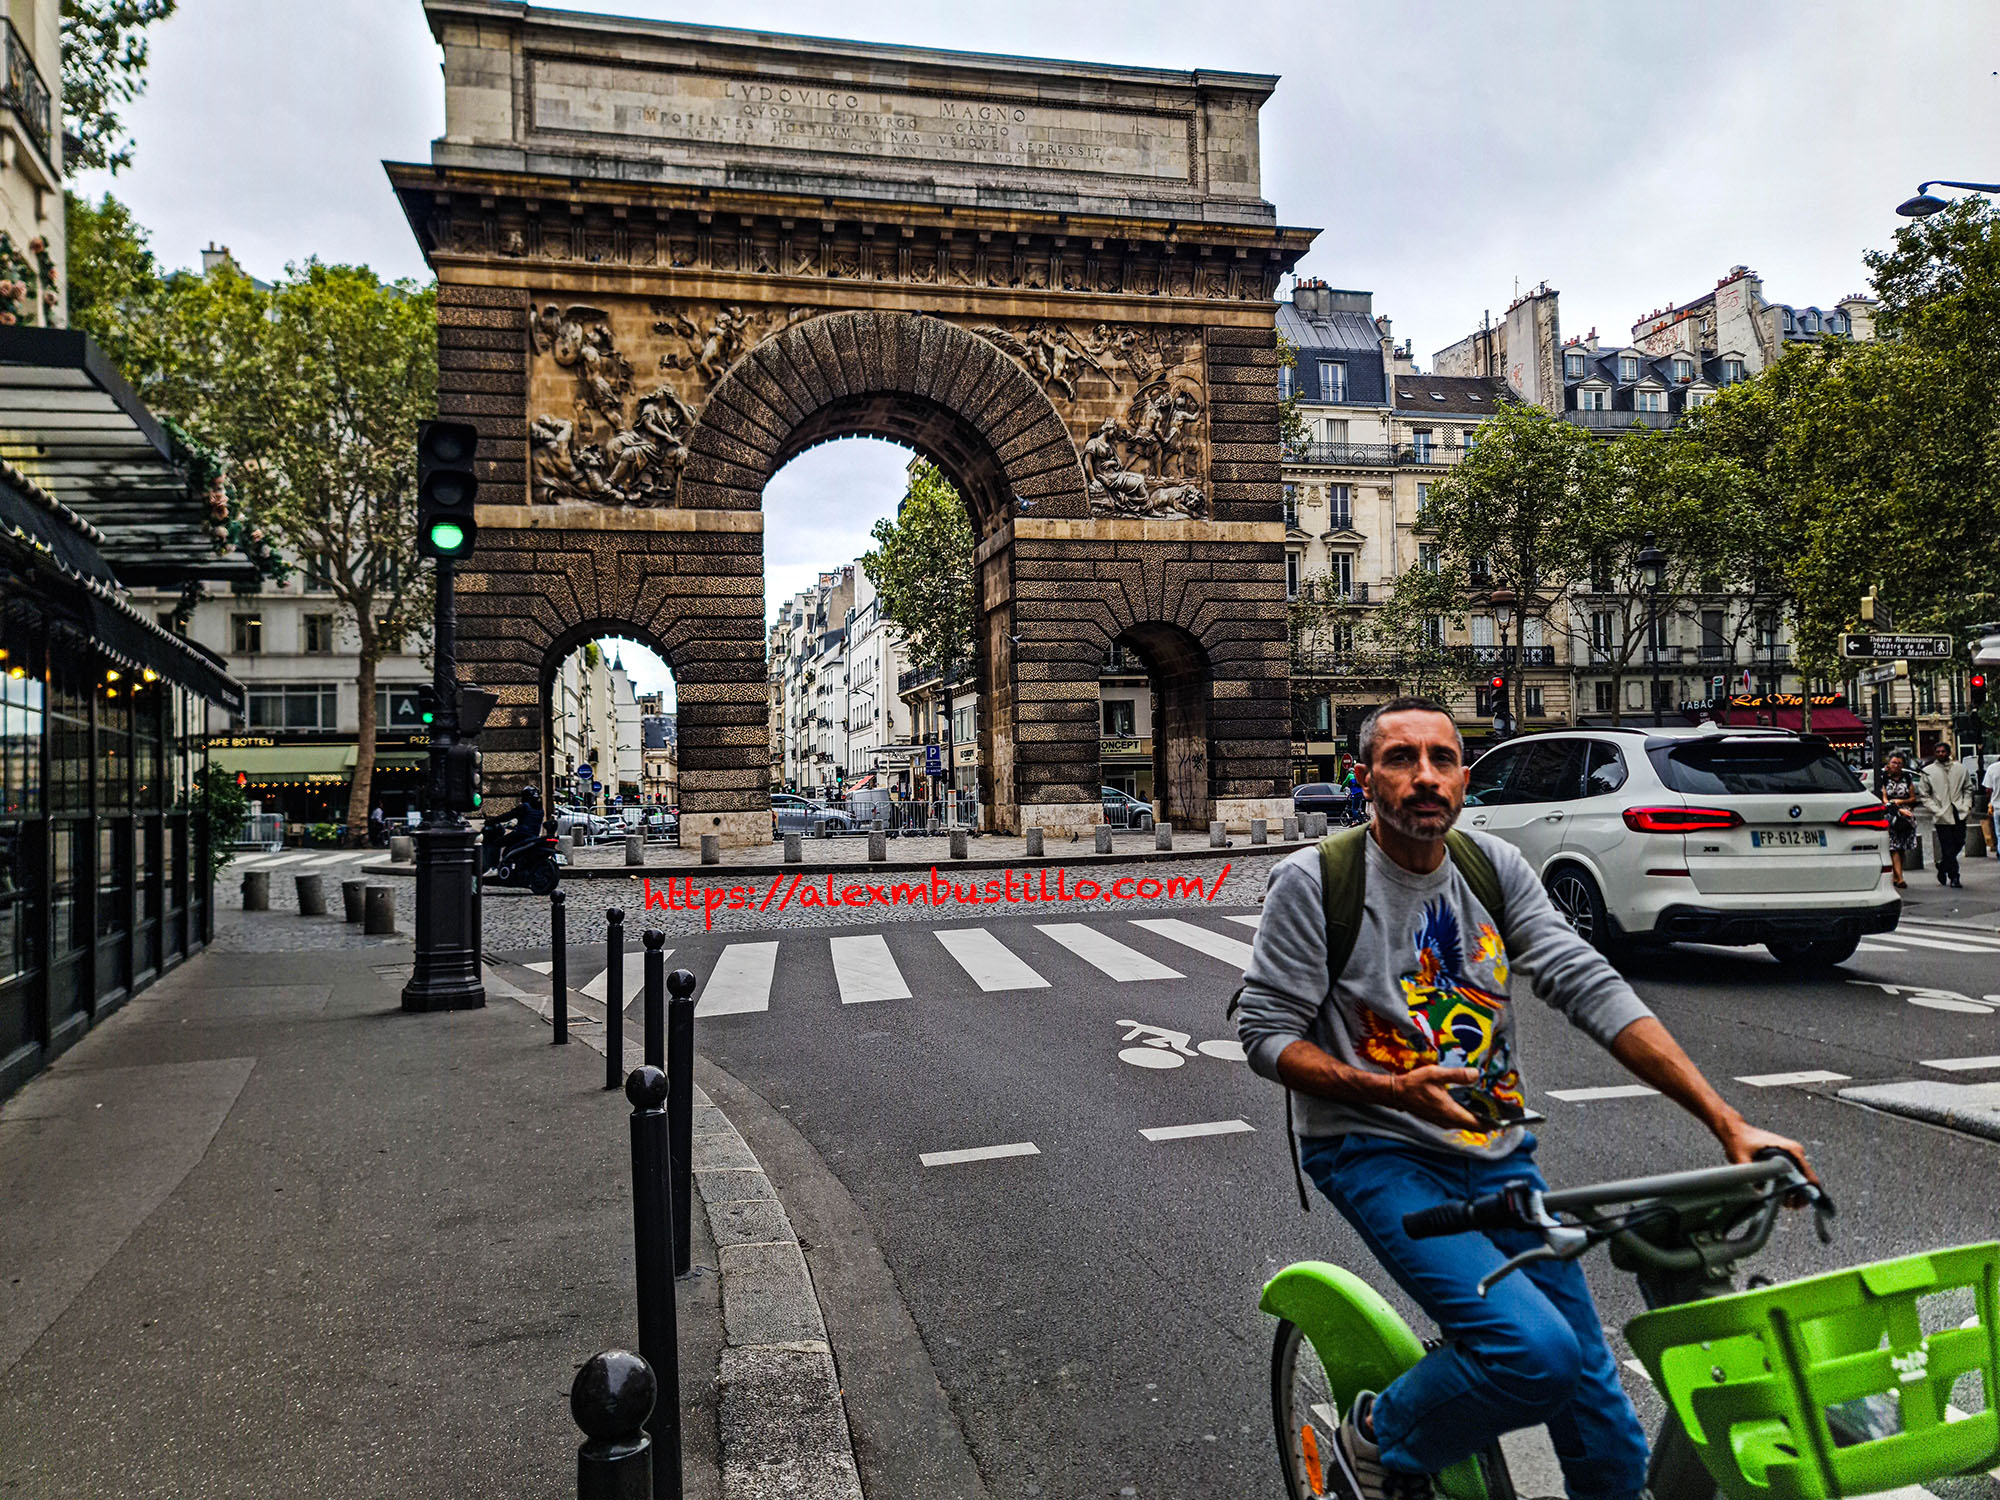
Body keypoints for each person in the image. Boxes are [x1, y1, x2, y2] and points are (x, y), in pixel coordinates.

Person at [1234, 696, 1813, 1500]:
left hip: (1501, 1157)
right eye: (1401, 759)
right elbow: (1266, 1036)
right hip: (1374, 1151)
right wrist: (1393, 1089)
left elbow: (1589, 985)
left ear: (1465, 777)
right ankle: (1379, 1437)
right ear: (1362, 777)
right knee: (1533, 1355)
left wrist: (1728, 1122)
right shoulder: (1317, 881)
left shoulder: (1492, 867)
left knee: (1602, 1423)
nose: (1425, 777)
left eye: (1442, 759)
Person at [1918, 740, 1974, 889]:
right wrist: (1935, 809)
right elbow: (1924, 794)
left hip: (1958, 811)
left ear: (1949, 752)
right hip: (1942, 813)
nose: (1941, 754)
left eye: (1943, 751)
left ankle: (1943, 866)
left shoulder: (1960, 769)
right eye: (1938, 752)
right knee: (1947, 846)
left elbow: (1968, 788)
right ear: (1935, 753)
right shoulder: (1928, 771)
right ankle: (1954, 876)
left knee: (1959, 841)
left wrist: (1966, 805)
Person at [1877, 752, 1920, 890]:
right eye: (1894, 762)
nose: (1896, 765)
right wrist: (1897, 807)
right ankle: (1900, 877)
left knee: (1902, 847)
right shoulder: (1883, 778)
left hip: (1906, 816)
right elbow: (1884, 799)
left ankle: (1896, 876)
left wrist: (1902, 801)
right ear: (1889, 763)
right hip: (1891, 815)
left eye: (1899, 763)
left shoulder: (1907, 777)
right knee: (1894, 847)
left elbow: (1913, 798)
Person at [495, 784, 545, 869]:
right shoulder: (540, 810)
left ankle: (495, 866)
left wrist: (493, 820)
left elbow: (508, 815)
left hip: (521, 835)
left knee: (497, 843)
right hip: (534, 836)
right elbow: (530, 821)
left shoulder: (524, 807)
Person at [1983, 754, 2000, 859]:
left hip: (1998, 806)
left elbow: (1988, 789)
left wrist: (1990, 800)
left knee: (1999, 834)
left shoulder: (1992, 768)